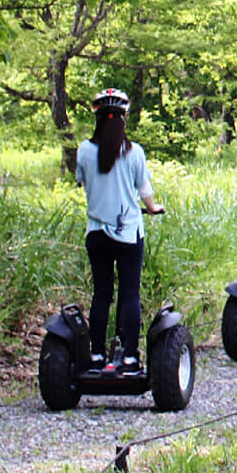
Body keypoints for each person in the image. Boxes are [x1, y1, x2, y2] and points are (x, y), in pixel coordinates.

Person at [74, 88, 163, 373]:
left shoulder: (85, 151)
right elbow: (145, 193)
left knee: (101, 294)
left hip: (96, 234)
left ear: (97, 118)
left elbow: (82, 183)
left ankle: (97, 355)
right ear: (123, 118)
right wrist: (152, 208)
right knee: (129, 295)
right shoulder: (134, 152)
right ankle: (129, 356)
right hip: (128, 233)